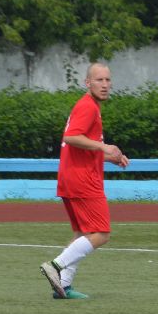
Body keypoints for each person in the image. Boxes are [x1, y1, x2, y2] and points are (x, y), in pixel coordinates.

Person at [40, 62, 129, 300]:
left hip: (71, 177)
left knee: (82, 233)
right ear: (87, 83)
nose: (105, 85)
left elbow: (81, 144)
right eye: (99, 80)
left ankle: (63, 288)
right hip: (83, 180)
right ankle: (56, 266)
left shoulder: (89, 106)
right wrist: (104, 146)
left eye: (108, 80)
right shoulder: (88, 106)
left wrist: (108, 157)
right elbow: (71, 137)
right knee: (101, 233)